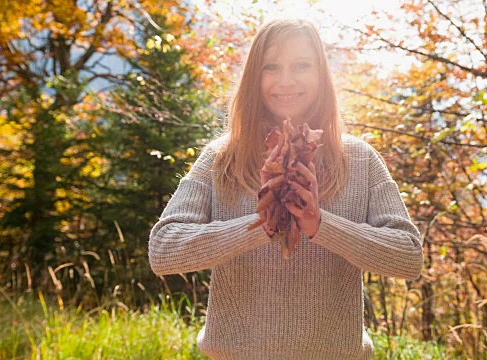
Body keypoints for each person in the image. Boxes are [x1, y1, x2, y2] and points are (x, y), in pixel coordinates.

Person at [148, 18, 423, 360]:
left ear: (321, 74)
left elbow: (409, 256)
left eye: (302, 65)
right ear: (254, 77)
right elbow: (162, 250)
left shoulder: (358, 158)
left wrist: (322, 226)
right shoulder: (222, 157)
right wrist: (258, 227)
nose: (286, 81)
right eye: (271, 67)